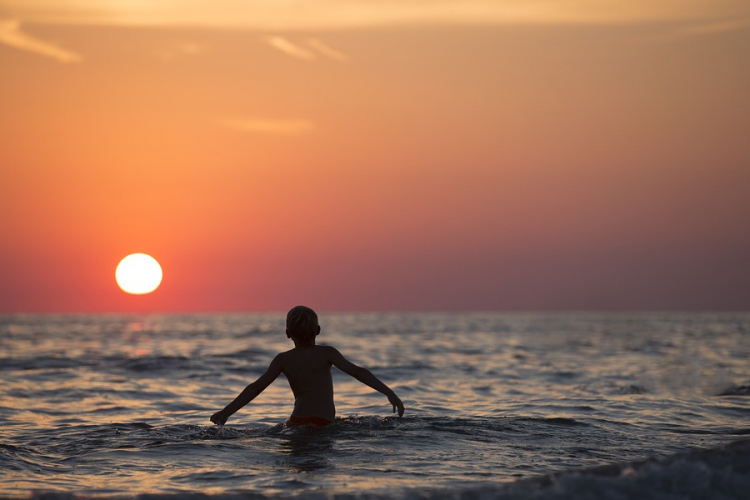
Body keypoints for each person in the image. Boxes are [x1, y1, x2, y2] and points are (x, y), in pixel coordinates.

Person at [210, 305, 405, 427]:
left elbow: (256, 387)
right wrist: (389, 393)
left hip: (295, 422)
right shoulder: (327, 353)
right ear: (318, 330)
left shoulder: (282, 359)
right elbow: (358, 372)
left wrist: (225, 413)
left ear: (287, 333)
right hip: (323, 423)